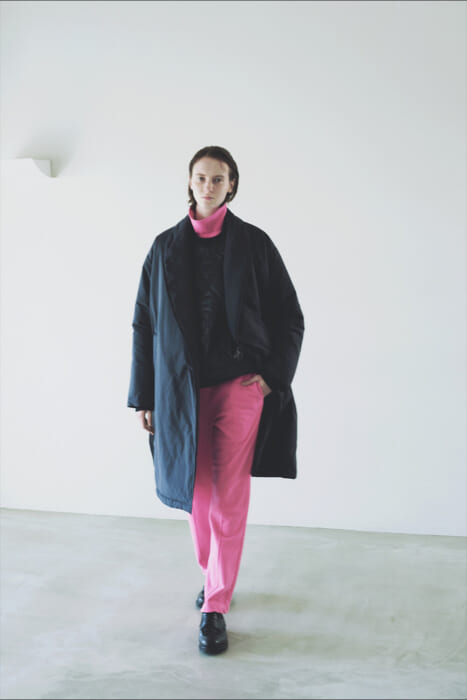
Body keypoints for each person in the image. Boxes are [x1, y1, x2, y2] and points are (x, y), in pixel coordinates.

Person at [128, 145, 304, 655]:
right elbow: (143, 324)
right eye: (201, 177)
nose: (209, 186)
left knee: (228, 494)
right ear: (189, 182)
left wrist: (271, 377)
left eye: (219, 178)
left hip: (241, 386)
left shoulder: (254, 244)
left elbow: (290, 315)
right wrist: (144, 395)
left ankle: (216, 604)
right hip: (182, 391)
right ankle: (213, 575)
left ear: (232, 185)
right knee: (197, 493)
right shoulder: (164, 248)